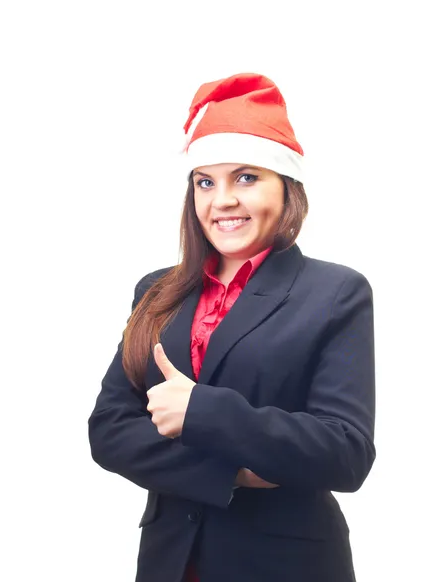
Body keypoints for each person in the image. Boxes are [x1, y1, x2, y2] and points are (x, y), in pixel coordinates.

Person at [88, 72, 375, 582]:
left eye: (246, 177)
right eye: (205, 181)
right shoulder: (157, 292)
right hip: (171, 562)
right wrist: (233, 474)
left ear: (286, 187)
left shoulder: (335, 293)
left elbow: (344, 452)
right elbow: (109, 431)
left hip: (285, 565)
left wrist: (202, 410)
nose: (221, 200)